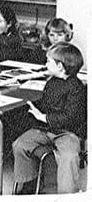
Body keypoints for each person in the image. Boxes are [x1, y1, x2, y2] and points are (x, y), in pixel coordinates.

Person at [12, 43, 86, 194]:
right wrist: (34, 107)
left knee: (69, 156)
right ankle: (29, 183)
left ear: (60, 66)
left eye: (48, 61)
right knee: (20, 145)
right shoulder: (52, 82)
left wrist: (43, 117)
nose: (45, 64)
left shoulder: (77, 88)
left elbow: (71, 117)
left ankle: (67, 194)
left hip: (67, 133)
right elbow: (48, 103)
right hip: (46, 129)